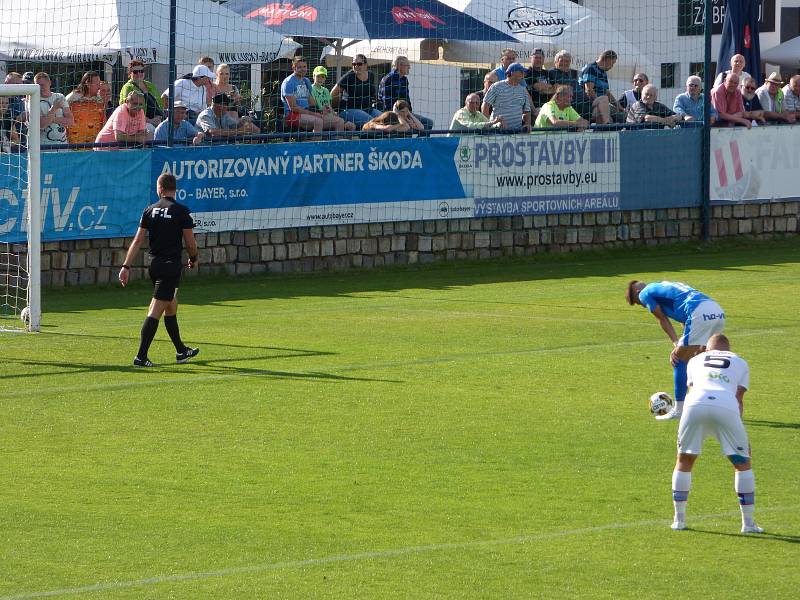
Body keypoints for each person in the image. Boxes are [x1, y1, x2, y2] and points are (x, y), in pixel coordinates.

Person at [669, 334, 763, 534]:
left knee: (684, 459)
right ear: (728, 349)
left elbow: (691, 388)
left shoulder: (695, 359)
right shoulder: (740, 362)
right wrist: (738, 431)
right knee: (742, 462)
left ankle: (679, 520)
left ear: (706, 349)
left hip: (695, 403)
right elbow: (739, 397)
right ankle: (748, 524)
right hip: (726, 404)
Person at [118, 173, 200, 367]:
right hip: (170, 267)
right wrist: (194, 258)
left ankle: (181, 351)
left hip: (154, 265)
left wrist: (126, 266)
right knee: (156, 309)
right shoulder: (181, 211)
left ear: (160, 189)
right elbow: (190, 241)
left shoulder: (149, 210)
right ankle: (140, 356)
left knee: (171, 305)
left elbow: (138, 240)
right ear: (174, 189)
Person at [626, 280, 725, 420]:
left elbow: (662, 319)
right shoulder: (664, 285)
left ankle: (679, 410)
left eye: (636, 302)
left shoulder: (644, 293)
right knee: (703, 361)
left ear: (636, 292)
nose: (642, 305)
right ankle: (713, 403)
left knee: (678, 359)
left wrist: (676, 343)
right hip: (717, 311)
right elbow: (684, 313)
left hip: (699, 314)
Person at [377, 56, 433, 130]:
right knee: (411, 126)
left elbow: (407, 101)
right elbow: (387, 105)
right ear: (399, 66)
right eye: (407, 65)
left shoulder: (404, 80)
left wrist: (409, 116)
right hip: (391, 115)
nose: (409, 67)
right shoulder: (388, 80)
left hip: (404, 113)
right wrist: (405, 119)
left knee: (428, 123)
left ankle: (418, 141)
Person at [281, 57, 331, 135]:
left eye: (304, 67)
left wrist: (321, 110)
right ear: (293, 67)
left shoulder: (306, 81)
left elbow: (312, 102)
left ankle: (335, 146)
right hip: (292, 115)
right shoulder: (289, 82)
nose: (303, 69)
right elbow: (293, 108)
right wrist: (314, 114)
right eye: (299, 67)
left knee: (338, 121)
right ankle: (314, 146)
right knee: (318, 121)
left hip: (307, 112)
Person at [331, 54, 382, 130]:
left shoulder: (371, 75)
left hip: (368, 109)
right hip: (349, 110)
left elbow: (372, 94)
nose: (356, 66)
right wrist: (336, 108)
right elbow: (333, 93)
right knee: (372, 122)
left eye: (359, 64)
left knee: (386, 119)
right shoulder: (349, 76)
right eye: (354, 64)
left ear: (365, 65)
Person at [482, 62, 532, 133]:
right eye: (521, 72)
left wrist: (527, 124)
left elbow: (527, 111)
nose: (523, 74)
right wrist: (488, 124)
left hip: (516, 132)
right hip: (497, 131)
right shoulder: (496, 86)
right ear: (512, 73)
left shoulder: (523, 90)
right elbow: (485, 105)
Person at [27, 72, 74, 145]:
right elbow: (42, 125)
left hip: (62, 145)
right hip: (42, 146)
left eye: (42, 85)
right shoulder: (33, 100)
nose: (40, 88)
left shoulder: (59, 97)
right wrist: (54, 108)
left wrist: (49, 119)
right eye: (37, 86)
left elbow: (71, 121)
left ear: (49, 83)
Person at [578, 50, 622, 124]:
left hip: (604, 103)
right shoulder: (591, 69)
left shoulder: (603, 73)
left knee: (623, 115)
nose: (612, 67)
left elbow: (607, 93)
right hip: (589, 104)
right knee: (610, 119)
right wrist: (602, 105)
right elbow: (589, 90)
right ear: (607, 59)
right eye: (612, 63)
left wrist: (619, 106)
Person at [547, 50, 592, 122]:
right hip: (573, 104)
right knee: (601, 111)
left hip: (586, 101)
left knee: (604, 103)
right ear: (555, 62)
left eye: (567, 61)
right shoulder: (552, 72)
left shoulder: (573, 73)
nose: (565, 63)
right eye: (562, 60)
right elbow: (552, 88)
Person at [65, 71, 108, 144]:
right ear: (88, 84)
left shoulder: (99, 100)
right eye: (97, 84)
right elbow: (65, 119)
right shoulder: (72, 99)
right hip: (75, 144)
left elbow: (103, 121)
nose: (99, 87)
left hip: (94, 143)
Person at [310, 66, 354, 133]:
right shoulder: (310, 89)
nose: (320, 79)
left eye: (323, 77)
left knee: (351, 126)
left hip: (328, 115)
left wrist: (335, 114)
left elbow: (329, 106)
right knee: (340, 122)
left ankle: (345, 142)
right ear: (313, 76)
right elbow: (312, 106)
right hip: (317, 116)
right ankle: (338, 141)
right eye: (318, 76)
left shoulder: (326, 90)